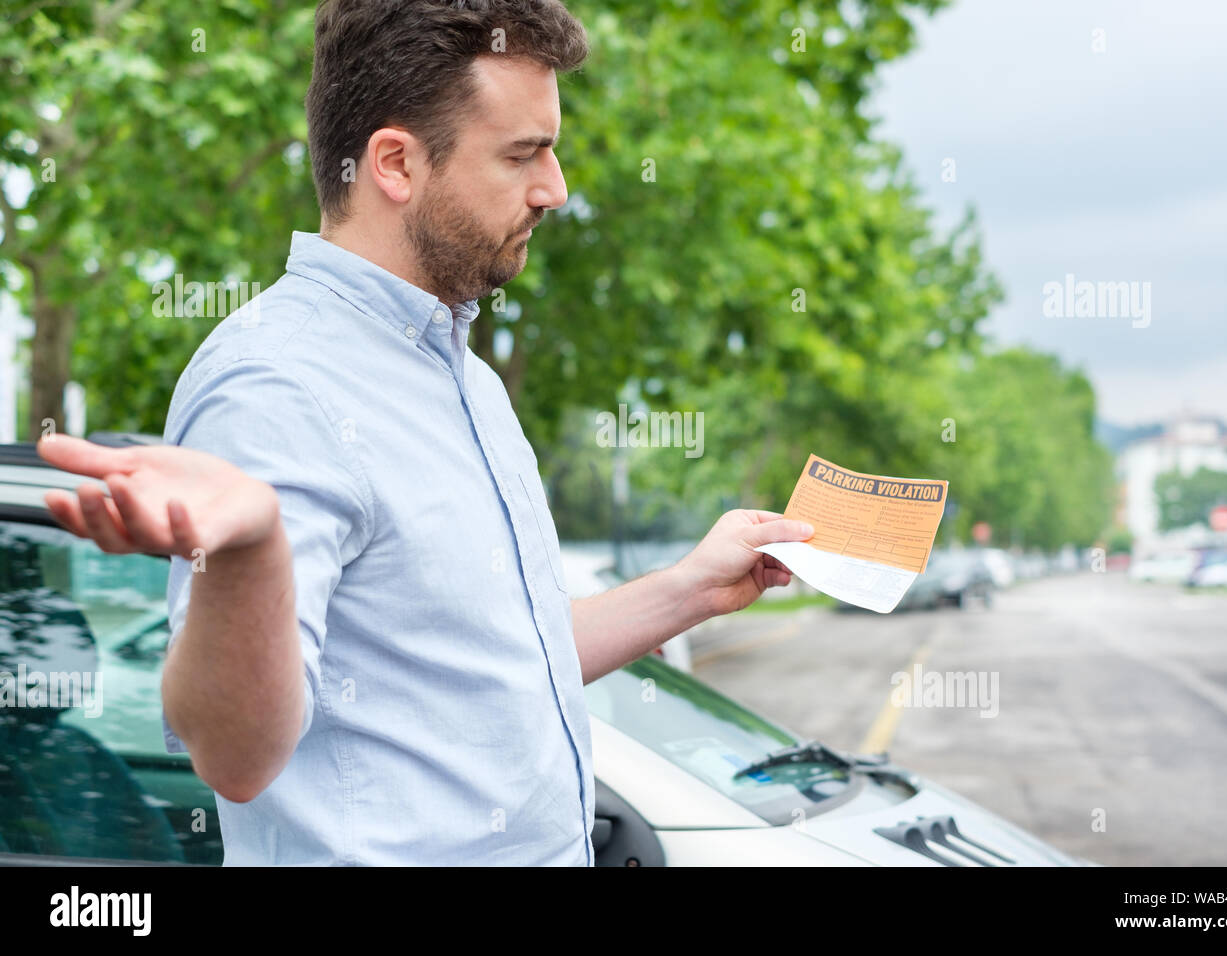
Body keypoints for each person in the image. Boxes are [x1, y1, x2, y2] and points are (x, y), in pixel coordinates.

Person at [35, 0, 813, 865]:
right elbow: (233, 757)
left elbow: (487, 664)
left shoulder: (464, 376)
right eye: (523, 154)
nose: (555, 187)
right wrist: (249, 556)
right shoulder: (274, 386)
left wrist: (693, 589)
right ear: (395, 163)